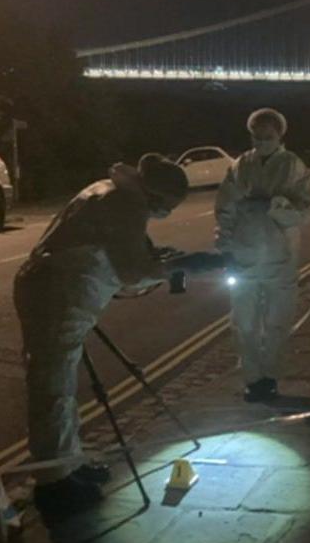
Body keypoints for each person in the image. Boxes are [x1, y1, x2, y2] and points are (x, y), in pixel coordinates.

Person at [14, 153, 222, 514]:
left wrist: (162, 258)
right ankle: (54, 484)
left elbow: (123, 247)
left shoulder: (111, 192)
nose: (164, 214)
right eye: (166, 207)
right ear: (155, 195)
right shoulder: (124, 203)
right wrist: (183, 264)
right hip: (57, 293)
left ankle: (69, 463)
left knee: (60, 383)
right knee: (53, 387)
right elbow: (132, 272)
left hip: (57, 289)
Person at [215, 108, 310, 402]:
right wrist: (224, 247)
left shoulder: (293, 165)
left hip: (280, 258)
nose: (261, 142)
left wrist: (276, 206)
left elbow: (304, 210)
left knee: (276, 323)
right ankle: (252, 379)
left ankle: (270, 377)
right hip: (244, 257)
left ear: (279, 135)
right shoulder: (239, 165)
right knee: (244, 323)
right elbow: (225, 209)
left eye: (267, 137)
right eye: (256, 137)